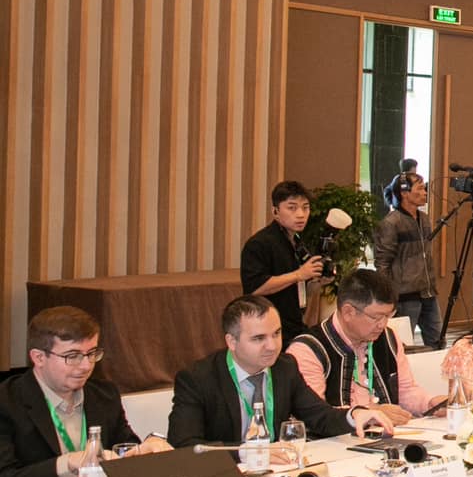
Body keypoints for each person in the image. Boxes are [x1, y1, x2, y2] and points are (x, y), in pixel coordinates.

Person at [168, 296, 394, 448]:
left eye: (276, 334)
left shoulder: (284, 367)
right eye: (259, 338)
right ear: (232, 341)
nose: (272, 346)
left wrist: (355, 414)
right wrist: (246, 453)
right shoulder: (197, 379)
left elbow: (319, 416)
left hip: (278, 473)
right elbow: (185, 445)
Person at [2, 307, 166, 477]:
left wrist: (144, 452)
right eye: (73, 356)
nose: (86, 366)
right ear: (39, 357)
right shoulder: (7, 402)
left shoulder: (103, 395)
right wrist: (68, 463)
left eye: (92, 353)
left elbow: (124, 450)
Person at [286, 269, 440, 422]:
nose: (383, 324)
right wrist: (368, 413)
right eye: (376, 317)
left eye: (388, 315)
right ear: (348, 312)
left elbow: (405, 390)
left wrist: (430, 403)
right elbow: (314, 415)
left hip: (386, 434)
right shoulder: (308, 350)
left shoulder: (388, 338)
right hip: (337, 437)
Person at [241, 179, 322, 341]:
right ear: (275, 212)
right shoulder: (260, 243)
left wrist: (318, 280)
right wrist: (298, 274)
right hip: (268, 328)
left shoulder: (297, 241)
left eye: (305, 207)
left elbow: (299, 289)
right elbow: (255, 288)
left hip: (294, 323)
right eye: (292, 208)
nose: (301, 214)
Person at [372, 170, 441, 347]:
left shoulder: (424, 218)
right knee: (402, 344)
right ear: (404, 193)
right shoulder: (391, 223)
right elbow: (382, 262)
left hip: (428, 292)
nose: (425, 192)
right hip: (404, 295)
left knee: (437, 341)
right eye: (420, 188)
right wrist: (387, 294)